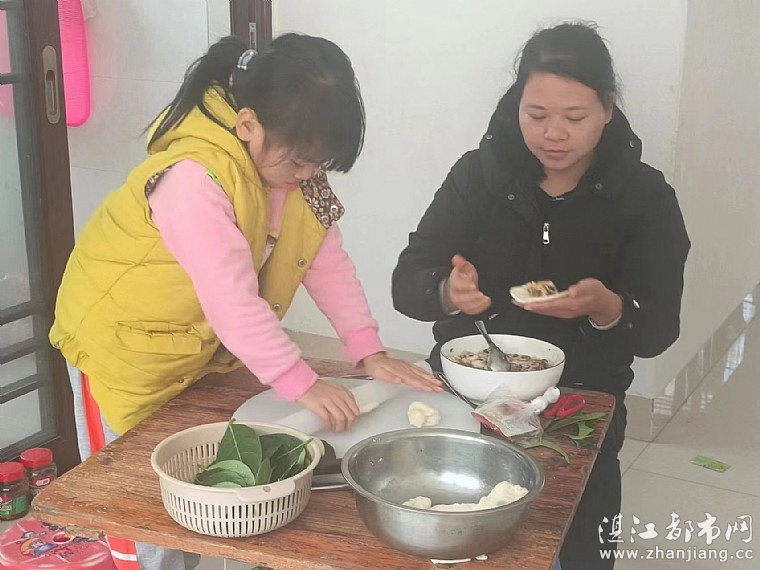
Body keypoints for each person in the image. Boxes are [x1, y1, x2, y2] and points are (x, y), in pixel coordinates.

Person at [51, 33, 440, 570]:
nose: (308, 174)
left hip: (190, 348)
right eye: (300, 161)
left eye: (319, 163)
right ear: (248, 124)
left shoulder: (300, 176)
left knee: (193, 485)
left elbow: (326, 260)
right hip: (119, 350)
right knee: (138, 500)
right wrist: (301, 381)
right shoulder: (192, 180)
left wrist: (367, 350)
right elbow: (231, 301)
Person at [392, 22, 690, 570]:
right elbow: (407, 280)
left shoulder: (645, 197)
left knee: (576, 546)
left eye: (574, 118)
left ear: (608, 108)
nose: (554, 134)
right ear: (517, 106)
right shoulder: (478, 176)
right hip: (467, 386)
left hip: (582, 394)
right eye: (536, 115)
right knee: (440, 533)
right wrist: (448, 292)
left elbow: (658, 329)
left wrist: (607, 308)